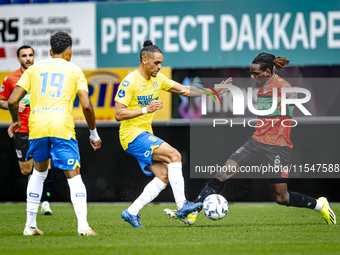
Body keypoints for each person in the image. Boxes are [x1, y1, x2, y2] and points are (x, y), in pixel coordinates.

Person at [165, 52, 336, 225]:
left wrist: (285, 101)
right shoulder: (261, 84)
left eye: (256, 73)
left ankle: (319, 205)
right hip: (256, 141)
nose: (252, 77)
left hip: (278, 146)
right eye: (251, 73)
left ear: (268, 73)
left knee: (281, 197)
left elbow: (292, 95)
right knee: (223, 173)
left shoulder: (281, 85)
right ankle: (193, 212)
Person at [115, 39, 227, 228]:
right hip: (131, 135)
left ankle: (131, 212)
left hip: (143, 134)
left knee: (164, 176)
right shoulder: (130, 81)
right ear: (144, 60)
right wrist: (145, 109)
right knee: (174, 155)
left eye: (161, 63)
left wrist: (212, 91)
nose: (159, 66)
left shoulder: (158, 79)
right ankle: (182, 205)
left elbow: (184, 90)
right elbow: (118, 113)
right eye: (156, 62)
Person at [7, 32, 102, 236]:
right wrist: (93, 134)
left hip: (37, 126)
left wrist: (15, 120)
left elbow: (12, 101)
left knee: (38, 173)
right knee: (74, 175)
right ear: (69, 52)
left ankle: (30, 225)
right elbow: (86, 105)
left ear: (50, 51)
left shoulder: (34, 69)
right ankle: (83, 226)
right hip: (62, 126)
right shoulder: (75, 70)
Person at [0, 45, 53, 215]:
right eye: (24, 55)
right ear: (18, 59)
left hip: (40, 126)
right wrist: (13, 105)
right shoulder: (10, 79)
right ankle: (36, 189)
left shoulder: (41, 75)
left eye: (31, 55)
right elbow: (1, 101)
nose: (28, 58)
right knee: (26, 169)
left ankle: (44, 201)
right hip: (22, 129)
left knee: (46, 164)